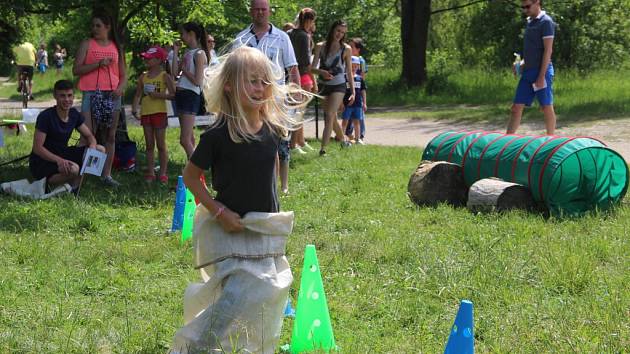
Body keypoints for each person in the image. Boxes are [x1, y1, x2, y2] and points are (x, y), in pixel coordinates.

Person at [170, 46, 314, 354]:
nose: (260, 88)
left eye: (264, 81)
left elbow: (270, 168)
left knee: (268, 293)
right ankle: (198, 346)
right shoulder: (218, 135)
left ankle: (253, 347)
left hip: (264, 230)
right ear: (228, 84)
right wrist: (219, 211)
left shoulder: (273, 130)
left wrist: (274, 201)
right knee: (234, 297)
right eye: (251, 81)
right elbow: (192, 178)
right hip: (231, 228)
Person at [233, 0, 301, 193]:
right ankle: (256, 181)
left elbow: (292, 68)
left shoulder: (281, 38)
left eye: (264, 9)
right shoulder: (241, 39)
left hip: (275, 100)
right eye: (257, 10)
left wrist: (294, 92)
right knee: (252, 141)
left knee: (280, 142)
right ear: (251, 12)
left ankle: (283, 185)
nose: (260, 13)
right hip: (249, 100)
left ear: (269, 11)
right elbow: (234, 71)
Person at [73, 12, 127, 187]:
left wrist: (120, 88)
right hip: (91, 92)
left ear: (107, 27)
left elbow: (124, 75)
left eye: (98, 25)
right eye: (93, 26)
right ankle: (79, 175)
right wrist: (98, 64)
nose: (94, 29)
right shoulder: (86, 44)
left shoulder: (117, 47)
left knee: (110, 136)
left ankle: (106, 175)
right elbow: (76, 69)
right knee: (87, 135)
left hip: (112, 94)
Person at [29, 80, 105, 192]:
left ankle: (75, 182)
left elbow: (89, 136)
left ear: (73, 96)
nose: (67, 100)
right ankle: (53, 183)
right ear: (55, 96)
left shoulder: (73, 114)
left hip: (63, 153)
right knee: (74, 169)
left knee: (100, 149)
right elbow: (37, 148)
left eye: (69, 96)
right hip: (43, 160)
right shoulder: (46, 116)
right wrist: (59, 160)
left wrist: (92, 147)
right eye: (62, 96)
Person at [506, 0, 557, 136]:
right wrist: (521, 63)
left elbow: (548, 51)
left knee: (546, 107)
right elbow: (531, 49)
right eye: (523, 7)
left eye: (527, 6)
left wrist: (541, 77)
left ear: (537, 2)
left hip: (542, 71)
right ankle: (505, 142)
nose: (525, 10)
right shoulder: (530, 22)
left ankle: (550, 139)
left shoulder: (546, 22)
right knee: (516, 107)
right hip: (528, 72)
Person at [132, 46, 176, 184]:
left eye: (149, 58)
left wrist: (158, 95)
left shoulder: (164, 76)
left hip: (159, 112)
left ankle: (163, 173)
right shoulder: (143, 76)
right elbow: (138, 94)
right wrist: (134, 108)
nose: (146, 60)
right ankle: (150, 172)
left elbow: (173, 95)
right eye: (146, 58)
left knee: (161, 145)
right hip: (146, 113)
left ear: (158, 60)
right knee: (149, 145)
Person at [312, 20, 355, 155]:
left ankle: (323, 149)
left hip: (339, 85)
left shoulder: (346, 49)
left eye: (343, 33)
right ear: (332, 30)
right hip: (324, 85)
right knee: (332, 117)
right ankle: (343, 141)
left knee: (329, 115)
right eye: (338, 31)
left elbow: (349, 72)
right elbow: (312, 69)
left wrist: (353, 91)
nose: (340, 34)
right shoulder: (320, 46)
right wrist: (321, 72)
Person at [171, 22, 209, 159]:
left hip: (190, 96)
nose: (181, 37)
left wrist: (184, 69)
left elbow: (198, 81)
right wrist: (175, 52)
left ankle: (196, 171)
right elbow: (175, 73)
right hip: (181, 94)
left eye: (183, 34)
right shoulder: (187, 52)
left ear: (191, 34)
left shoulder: (199, 54)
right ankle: (190, 171)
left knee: (184, 139)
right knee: (190, 138)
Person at [288, 7, 318, 154]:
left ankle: (301, 141)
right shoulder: (304, 36)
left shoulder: (289, 33)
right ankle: (293, 144)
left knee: (295, 110)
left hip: (289, 76)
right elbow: (306, 61)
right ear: (309, 20)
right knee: (299, 112)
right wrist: (314, 80)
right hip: (303, 77)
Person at [341, 56, 367, 144]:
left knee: (357, 121)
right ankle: (342, 138)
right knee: (345, 121)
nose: (354, 68)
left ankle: (357, 138)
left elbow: (363, 91)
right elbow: (341, 92)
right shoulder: (344, 78)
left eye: (356, 66)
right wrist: (341, 103)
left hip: (358, 104)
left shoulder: (359, 78)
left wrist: (364, 103)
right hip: (347, 104)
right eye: (352, 66)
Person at [346, 37, 368, 139]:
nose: (349, 48)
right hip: (349, 90)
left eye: (352, 47)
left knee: (359, 115)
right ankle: (348, 133)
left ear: (358, 49)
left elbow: (363, 75)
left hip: (358, 89)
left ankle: (360, 135)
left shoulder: (361, 61)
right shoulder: (347, 59)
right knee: (349, 113)